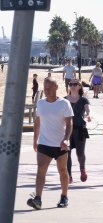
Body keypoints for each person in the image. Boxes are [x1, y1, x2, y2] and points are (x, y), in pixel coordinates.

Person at [27, 77, 73, 210]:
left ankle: (64, 196)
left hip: (60, 144)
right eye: (45, 88)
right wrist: (35, 140)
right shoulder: (41, 104)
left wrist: (66, 139)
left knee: (63, 171)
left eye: (49, 88)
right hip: (44, 143)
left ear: (56, 88)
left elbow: (69, 123)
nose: (46, 90)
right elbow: (38, 122)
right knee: (41, 170)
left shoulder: (64, 103)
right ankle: (38, 199)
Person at [65, 79, 91, 184]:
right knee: (67, 153)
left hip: (79, 128)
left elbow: (88, 110)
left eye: (75, 84)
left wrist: (88, 116)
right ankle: (69, 175)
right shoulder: (64, 100)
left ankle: (82, 170)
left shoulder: (83, 100)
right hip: (67, 130)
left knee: (80, 153)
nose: (73, 86)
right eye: (70, 84)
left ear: (80, 86)